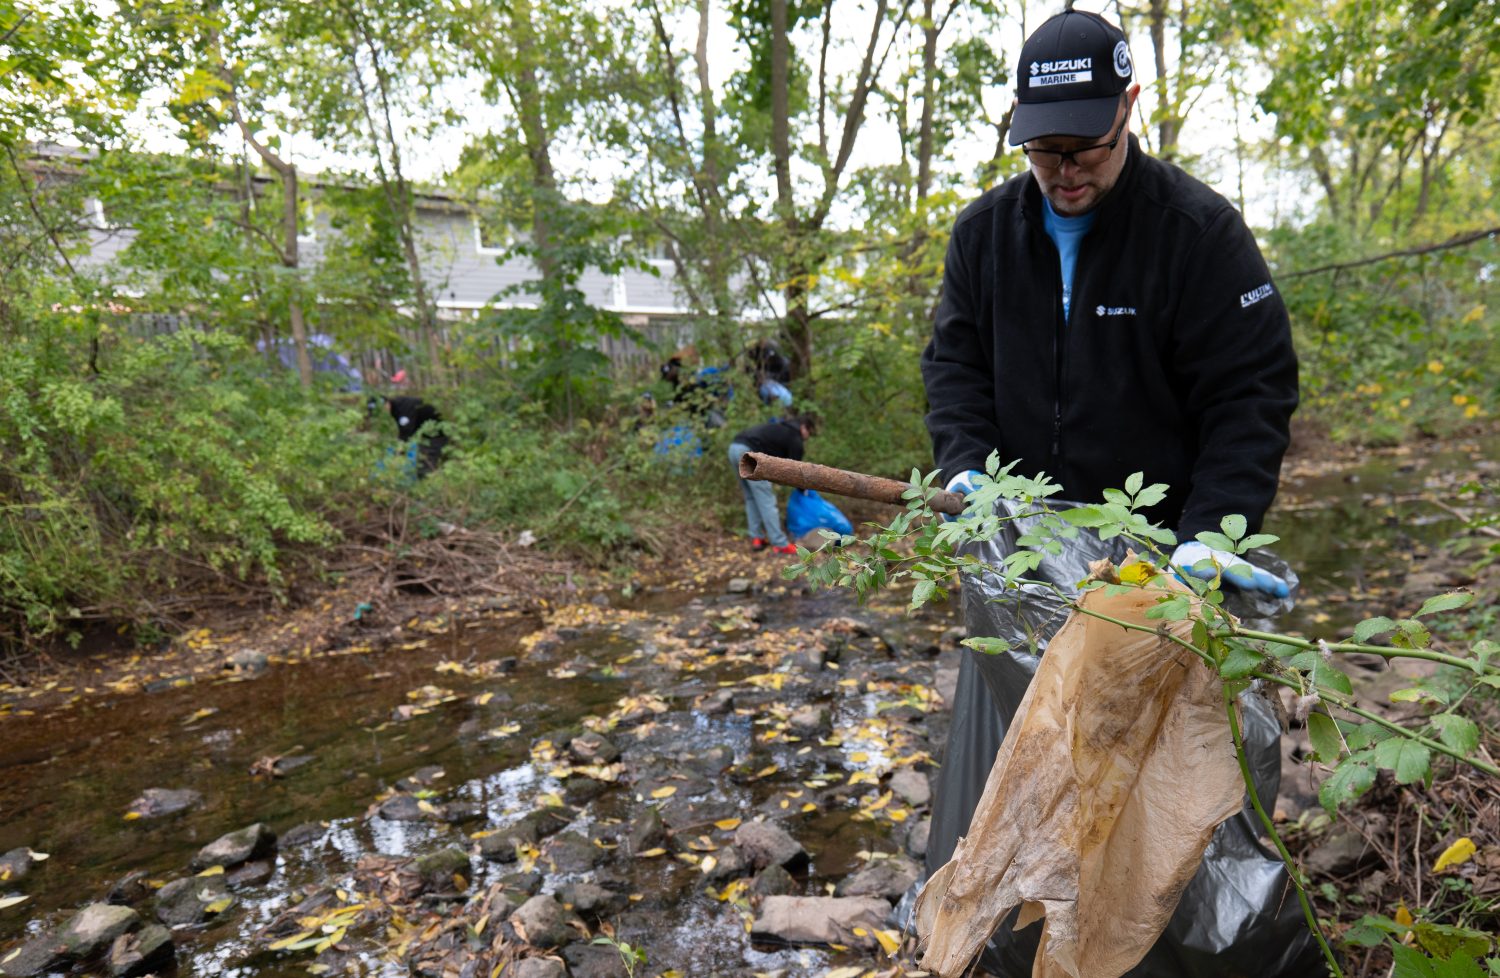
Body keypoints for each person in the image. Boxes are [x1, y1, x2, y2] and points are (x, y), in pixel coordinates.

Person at [917, 8, 1315, 976]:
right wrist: (968, 466)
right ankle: (1020, 942)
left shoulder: (1198, 236)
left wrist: (1214, 533)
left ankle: (1187, 950)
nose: (1065, 170)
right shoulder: (984, 238)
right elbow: (954, 365)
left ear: (1130, 109)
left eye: (1086, 146)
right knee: (1033, 759)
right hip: (1025, 561)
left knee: (1164, 769)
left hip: (1159, 558)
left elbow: (1249, 393)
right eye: (1043, 149)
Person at [726, 414, 814, 554]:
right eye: (809, 432)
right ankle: (780, 543)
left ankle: (757, 538)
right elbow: (797, 471)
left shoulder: (781, 427)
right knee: (767, 499)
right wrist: (803, 489)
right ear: (803, 427)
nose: (807, 437)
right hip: (749, 452)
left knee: (751, 497)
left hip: (734, 448)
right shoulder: (795, 437)